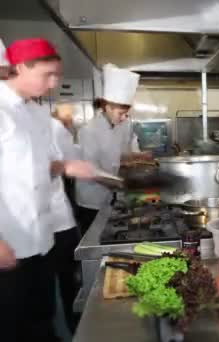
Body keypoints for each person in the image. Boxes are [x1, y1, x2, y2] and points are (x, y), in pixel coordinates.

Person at [0, 37, 95, 342]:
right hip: (8, 241)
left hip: (42, 238)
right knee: (12, 326)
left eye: (57, 75)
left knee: (41, 317)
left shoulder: (37, 114)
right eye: (47, 75)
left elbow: (41, 166)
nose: (53, 84)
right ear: (20, 68)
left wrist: (66, 167)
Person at [75, 64, 146, 234]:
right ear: (107, 106)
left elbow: (129, 150)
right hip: (92, 201)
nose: (123, 118)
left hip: (116, 197)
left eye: (126, 113)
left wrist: (138, 159)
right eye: (120, 113)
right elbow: (92, 171)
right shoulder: (88, 131)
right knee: (95, 238)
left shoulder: (124, 124)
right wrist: (122, 184)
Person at [49, 101, 82, 333]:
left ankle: (70, 327)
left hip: (59, 221)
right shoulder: (52, 128)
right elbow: (71, 164)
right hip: (46, 224)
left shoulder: (53, 128)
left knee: (65, 278)